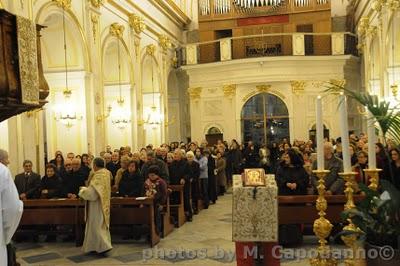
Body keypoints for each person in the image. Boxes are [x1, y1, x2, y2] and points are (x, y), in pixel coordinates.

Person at [78, 157, 112, 254]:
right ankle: (95, 247)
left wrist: (82, 191)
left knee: (96, 225)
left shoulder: (99, 175)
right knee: (100, 225)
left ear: (95, 165)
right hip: (102, 204)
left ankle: (103, 246)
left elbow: (92, 194)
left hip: (96, 205)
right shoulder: (106, 173)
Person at [0, 149, 23, 266]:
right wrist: (7, 235)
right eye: (7, 158)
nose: (8, 162)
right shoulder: (2, 171)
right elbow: (13, 207)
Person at [168, 149, 192, 221]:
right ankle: (177, 216)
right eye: (174, 154)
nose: (175, 155)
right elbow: (170, 175)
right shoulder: (171, 165)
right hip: (175, 186)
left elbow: (190, 174)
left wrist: (184, 178)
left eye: (176, 154)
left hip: (184, 186)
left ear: (181, 155)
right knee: (176, 200)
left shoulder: (186, 164)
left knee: (186, 200)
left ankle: (189, 215)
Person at [144, 165, 168, 236]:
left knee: (157, 214)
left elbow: (164, 194)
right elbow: (143, 191)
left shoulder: (161, 182)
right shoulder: (146, 182)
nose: (151, 177)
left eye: (153, 175)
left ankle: (157, 231)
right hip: (147, 202)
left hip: (157, 203)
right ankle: (148, 231)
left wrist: (161, 204)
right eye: (150, 175)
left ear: (157, 175)